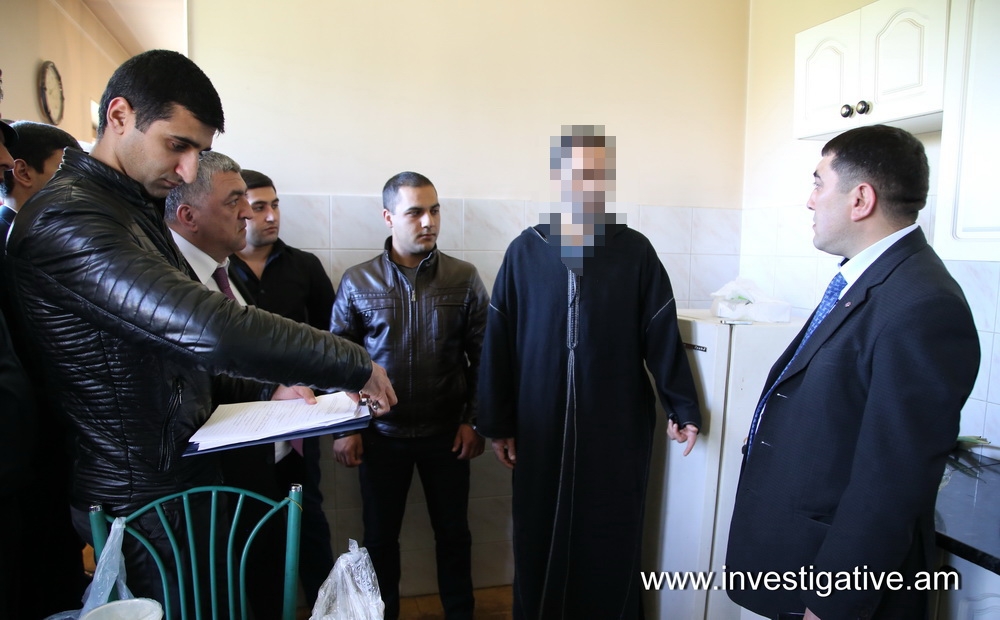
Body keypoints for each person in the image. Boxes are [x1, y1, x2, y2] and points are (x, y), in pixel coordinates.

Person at [3, 49, 395, 615]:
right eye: (177, 146)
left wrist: (267, 390)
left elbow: (174, 359)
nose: (188, 171)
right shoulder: (71, 217)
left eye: (199, 152)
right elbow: (208, 327)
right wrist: (353, 362)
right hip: (137, 496)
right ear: (119, 116)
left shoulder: (129, 208)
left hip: (172, 478)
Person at [725, 125, 981, 620]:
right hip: (798, 560)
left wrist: (833, 602)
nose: (810, 200)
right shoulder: (871, 279)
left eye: (818, 183)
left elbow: (892, 481)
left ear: (860, 199)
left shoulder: (922, 303)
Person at [477, 125, 701, 618]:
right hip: (540, 424)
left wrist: (683, 406)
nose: (586, 185)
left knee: (610, 532)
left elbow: (661, 332)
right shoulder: (525, 251)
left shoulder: (635, 251)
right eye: (576, 173)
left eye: (596, 174)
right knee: (538, 529)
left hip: (615, 427)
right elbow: (499, 343)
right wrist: (498, 423)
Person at [331, 171, 488, 620]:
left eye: (434, 210)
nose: (428, 221)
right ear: (388, 217)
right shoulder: (358, 281)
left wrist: (474, 421)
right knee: (380, 540)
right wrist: (346, 429)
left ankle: (461, 614)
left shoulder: (463, 278)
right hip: (380, 436)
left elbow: (485, 356)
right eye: (415, 212)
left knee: (454, 535)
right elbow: (337, 362)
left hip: (448, 435)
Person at [165, 151, 294, 619]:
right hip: (210, 480)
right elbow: (201, 375)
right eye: (234, 201)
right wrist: (270, 391)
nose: (249, 213)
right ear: (188, 215)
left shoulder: (220, 274)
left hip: (254, 461)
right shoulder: (173, 282)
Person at [228, 168, 338, 605]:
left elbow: (333, 338)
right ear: (239, 210)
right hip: (237, 423)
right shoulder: (218, 269)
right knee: (252, 525)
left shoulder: (304, 266)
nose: (271, 216)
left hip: (299, 419)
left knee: (307, 514)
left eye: (275, 205)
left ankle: (326, 609)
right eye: (259, 207)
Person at [0, 120, 81, 245]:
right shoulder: (11, 242)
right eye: (67, 169)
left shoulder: (44, 234)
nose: (80, 180)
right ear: (23, 173)